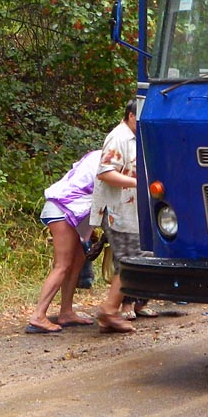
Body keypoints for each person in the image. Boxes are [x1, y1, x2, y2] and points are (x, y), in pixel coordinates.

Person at [25, 149, 102, 334]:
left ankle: (66, 312)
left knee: (77, 260)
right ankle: (38, 316)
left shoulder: (97, 156)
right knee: (62, 265)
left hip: (69, 209)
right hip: (62, 207)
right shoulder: (107, 160)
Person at [92, 99, 141, 333]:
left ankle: (108, 316)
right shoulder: (118, 137)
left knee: (131, 260)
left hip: (131, 212)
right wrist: (137, 183)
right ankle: (110, 310)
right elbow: (105, 172)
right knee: (130, 262)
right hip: (117, 212)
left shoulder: (135, 138)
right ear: (131, 116)